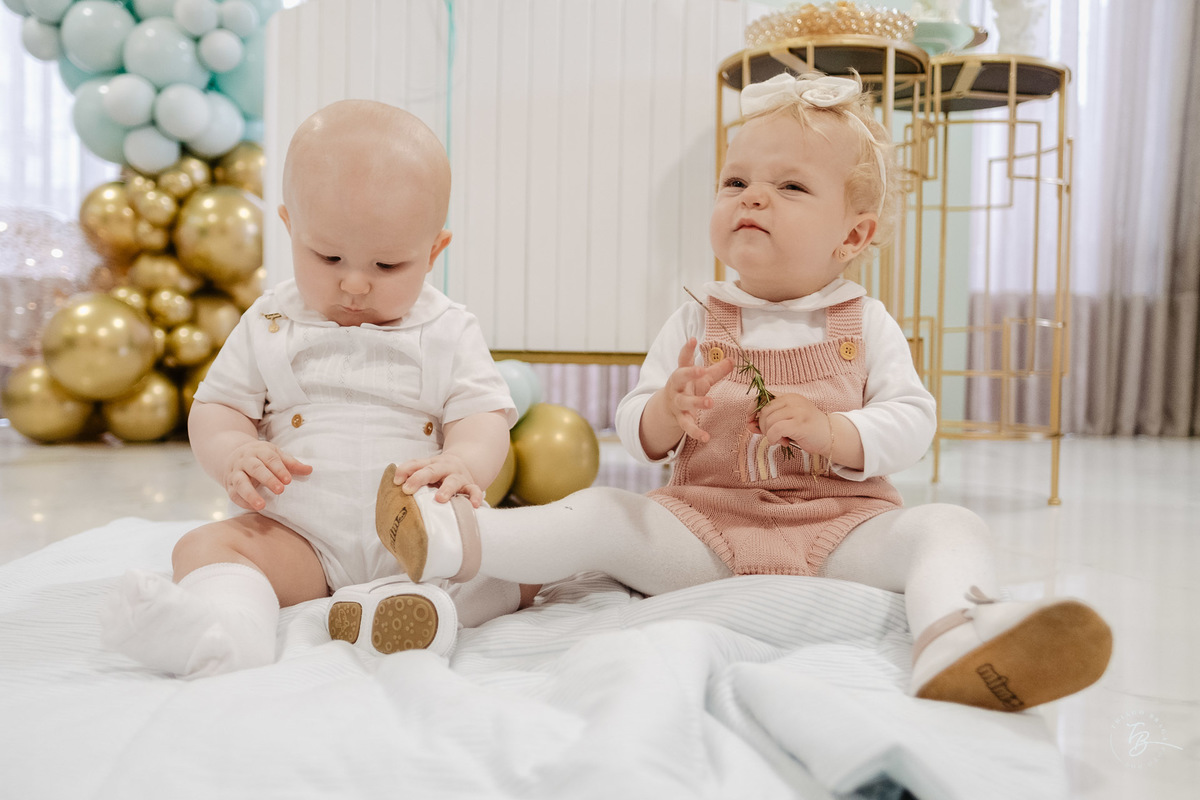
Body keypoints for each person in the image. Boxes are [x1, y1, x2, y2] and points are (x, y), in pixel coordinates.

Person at [376, 73, 1113, 713]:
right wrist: (665, 412)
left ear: (852, 237)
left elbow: (913, 421)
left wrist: (837, 432)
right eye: (736, 183)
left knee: (947, 527)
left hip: (838, 533)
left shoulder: (867, 322)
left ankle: (952, 638)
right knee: (602, 514)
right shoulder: (697, 316)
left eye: (790, 186)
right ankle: (455, 539)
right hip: (703, 532)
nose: (753, 196)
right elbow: (632, 425)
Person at [101, 99, 528, 679]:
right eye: (327, 256)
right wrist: (234, 451)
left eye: (387, 265)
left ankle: (421, 608)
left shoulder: (448, 328)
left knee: (520, 556)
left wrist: (463, 462)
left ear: (433, 251)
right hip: (296, 536)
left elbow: (482, 417)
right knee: (201, 548)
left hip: (421, 536)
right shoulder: (270, 322)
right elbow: (217, 409)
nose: (354, 283)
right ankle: (227, 634)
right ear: (288, 228)